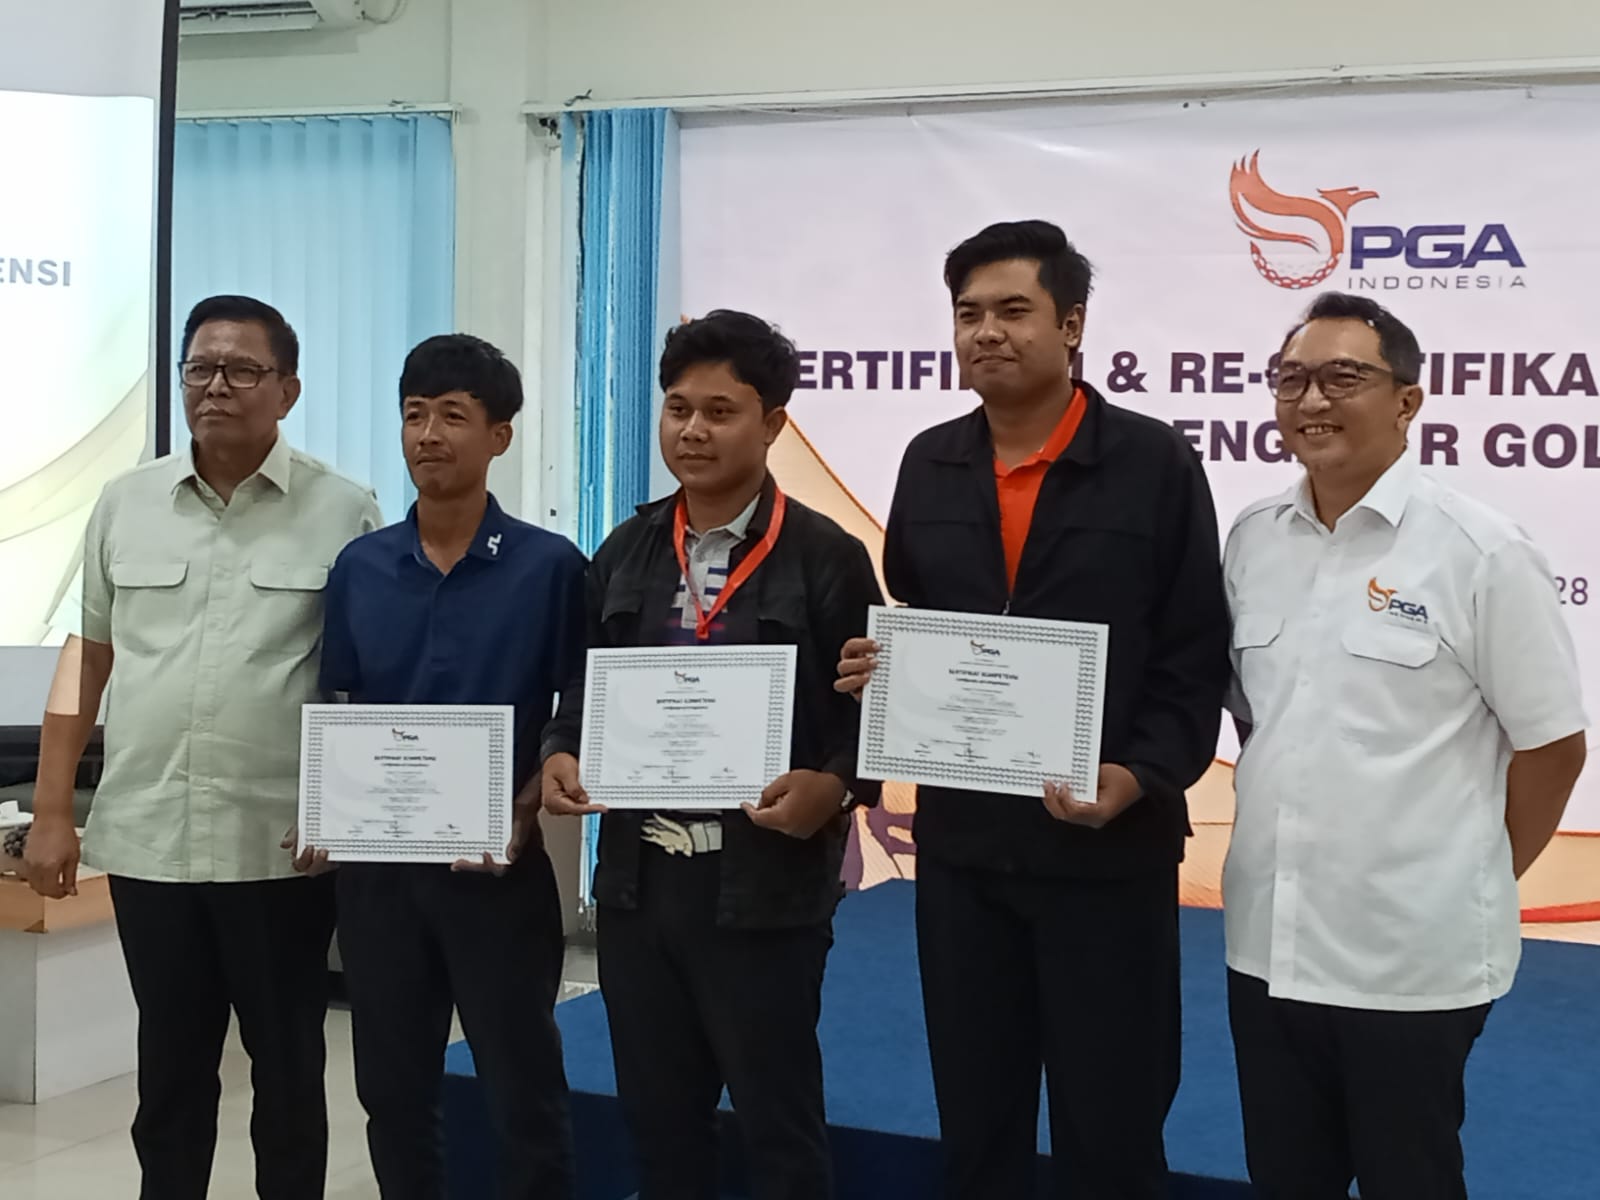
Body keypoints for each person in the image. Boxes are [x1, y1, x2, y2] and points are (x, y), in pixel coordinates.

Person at [836, 220, 1231, 1199]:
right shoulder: (930, 461)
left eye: (1014, 310)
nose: (987, 332)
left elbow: (1193, 651)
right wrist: (886, 670)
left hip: (1108, 849)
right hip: (965, 851)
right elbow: (918, 611)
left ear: (1072, 324)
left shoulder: (1153, 463)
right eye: (967, 313)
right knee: (977, 1119)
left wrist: (1138, 775)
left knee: (1112, 1123)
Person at [1221, 292, 1587, 1200]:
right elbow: (1256, 716)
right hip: (1267, 947)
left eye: (1343, 377)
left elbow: (1553, 748)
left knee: (1410, 1180)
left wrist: (1470, 875)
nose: (1312, 400)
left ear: (1408, 400)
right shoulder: (1253, 539)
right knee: (1284, 1181)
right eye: (1291, 380)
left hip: (1409, 961)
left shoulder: (1481, 551)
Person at [22, 295, 381, 1200]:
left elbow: (365, 681)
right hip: (152, 840)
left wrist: (348, 810)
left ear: (286, 390)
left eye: (241, 370)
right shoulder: (125, 501)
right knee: (170, 1073)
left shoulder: (344, 509)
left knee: (289, 1070)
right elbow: (86, 660)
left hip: (279, 846)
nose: (216, 386)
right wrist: (53, 810)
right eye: (200, 369)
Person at [540, 310, 883, 1200]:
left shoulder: (828, 556)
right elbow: (581, 685)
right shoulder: (626, 550)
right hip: (639, 885)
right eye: (678, 409)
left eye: (721, 412)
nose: (692, 430)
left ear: (773, 423)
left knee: (779, 1127)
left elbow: (877, 711)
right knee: (660, 1129)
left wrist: (836, 786)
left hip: (764, 888)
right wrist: (563, 751)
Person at [299, 334, 583, 1199]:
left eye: (453, 416)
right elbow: (343, 706)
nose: (428, 434)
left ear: (499, 436)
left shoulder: (550, 568)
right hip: (380, 882)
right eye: (414, 414)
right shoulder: (361, 567)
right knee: (392, 1093)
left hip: (496, 874)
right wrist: (326, 808)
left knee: (521, 1090)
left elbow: (576, 712)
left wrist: (527, 805)